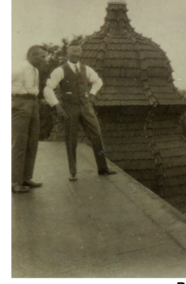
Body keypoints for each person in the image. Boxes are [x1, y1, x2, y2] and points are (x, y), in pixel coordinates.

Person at [43, 45, 116, 181]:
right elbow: (48, 88)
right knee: (71, 139)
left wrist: (93, 94)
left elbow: (98, 81)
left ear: (81, 54)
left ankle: (103, 168)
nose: (76, 54)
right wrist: (56, 105)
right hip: (69, 108)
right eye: (73, 52)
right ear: (67, 53)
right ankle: (73, 172)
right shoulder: (60, 70)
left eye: (78, 52)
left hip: (86, 107)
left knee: (96, 134)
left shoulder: (86, 69)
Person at [12, 46, 48, 193]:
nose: (44, 60)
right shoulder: (18, 68)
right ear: (32, 55)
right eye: (42, 57)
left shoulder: (36, 70)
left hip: (33, 104)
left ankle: (25, 178)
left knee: (32, 142)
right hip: (20, 104)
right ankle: (14, 182)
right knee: (19, 143)